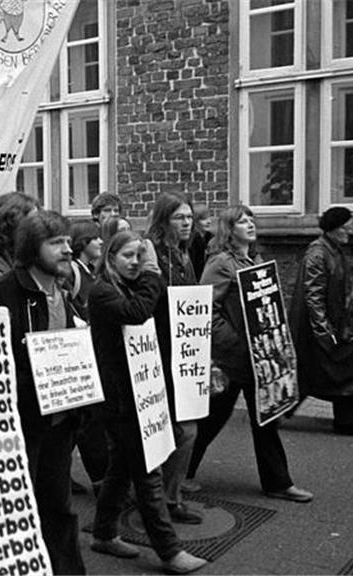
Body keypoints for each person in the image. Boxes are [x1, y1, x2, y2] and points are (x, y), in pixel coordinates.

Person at [87, 231, 207, 575]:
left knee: (120, 470)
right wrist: (153, 274)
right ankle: (169, 552)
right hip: (120, 400)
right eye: (128, 255)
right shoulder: (103, 292)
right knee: (147, 472)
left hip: (134, 395)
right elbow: (138, 312)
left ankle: (104, 533)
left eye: (140, 255)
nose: (136, 262)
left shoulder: (124, 285)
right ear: (110, 256)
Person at [0, 210, 87, 575]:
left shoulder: (63, 292)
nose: (67, 250)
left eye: (69, 242)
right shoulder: (0, 298)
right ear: (31, 247)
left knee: (59, 508)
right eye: (56, 242)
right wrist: (41, 379)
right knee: (15, 512)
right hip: (22, 427)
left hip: (59, 424)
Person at [186, 205, 313, 503]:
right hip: (234, 358)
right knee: (211, 418)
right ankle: (181, 473)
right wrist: (232, 341)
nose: (250, 224)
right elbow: (205, 310)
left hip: (259, 356)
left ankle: (278, 482)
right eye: (242, 221)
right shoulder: (220, 263)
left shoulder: (254, 259)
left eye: (251, 219)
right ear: (230, 230)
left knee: (266, 418)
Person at [146, 192, 201, 524]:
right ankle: (155, 498)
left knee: (186, 430)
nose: (186, 223)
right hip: (155, 355)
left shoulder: (183, 256)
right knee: (157, 431)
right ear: (164, 219)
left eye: (190, 218)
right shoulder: (151, 253)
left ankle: (168, 497)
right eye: (180, 217)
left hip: (181, 357)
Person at [290, 206, 353, 436]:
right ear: (333, 228)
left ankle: (346, 421)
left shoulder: (333, 249)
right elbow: (313, 296)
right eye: (346, 227)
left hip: (335, 324)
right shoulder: (318, 254)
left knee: (322, 373)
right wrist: (325, 331)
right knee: (327, 372)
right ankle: (345, 422)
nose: (349, 231)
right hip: (323, 327)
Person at [188, 202, 213, 282]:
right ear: (195, 221)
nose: (208, 221)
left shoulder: (211, 237)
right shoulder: (191, 241)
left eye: (209, 218)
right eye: (204, 219)